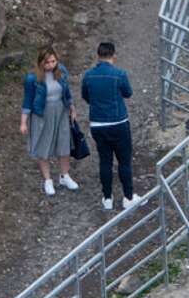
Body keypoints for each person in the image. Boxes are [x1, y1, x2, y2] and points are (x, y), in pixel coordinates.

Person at [80, 40, 135, 210]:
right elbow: (128, 93)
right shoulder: (120, 74)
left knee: (105, 161)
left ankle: (107, 198)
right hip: (118, 123)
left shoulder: (88, 75)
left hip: (98, 124)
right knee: (124, 161)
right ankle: (128, 197)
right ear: (113, 56)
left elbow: (85, 96)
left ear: (98, 56)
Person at [20, 46, 80, 196]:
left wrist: (72, 107)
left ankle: (64, 175)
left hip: (60, 111)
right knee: (43, 145)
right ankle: (47, 180)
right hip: (42, 114)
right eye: (47, 62)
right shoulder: (32, 78)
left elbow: (66, 92)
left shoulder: (61, 71)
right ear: (41, 63)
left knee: (64, 143)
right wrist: (23, 122)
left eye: (53, 61)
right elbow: (27, 101)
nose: (51, 65)